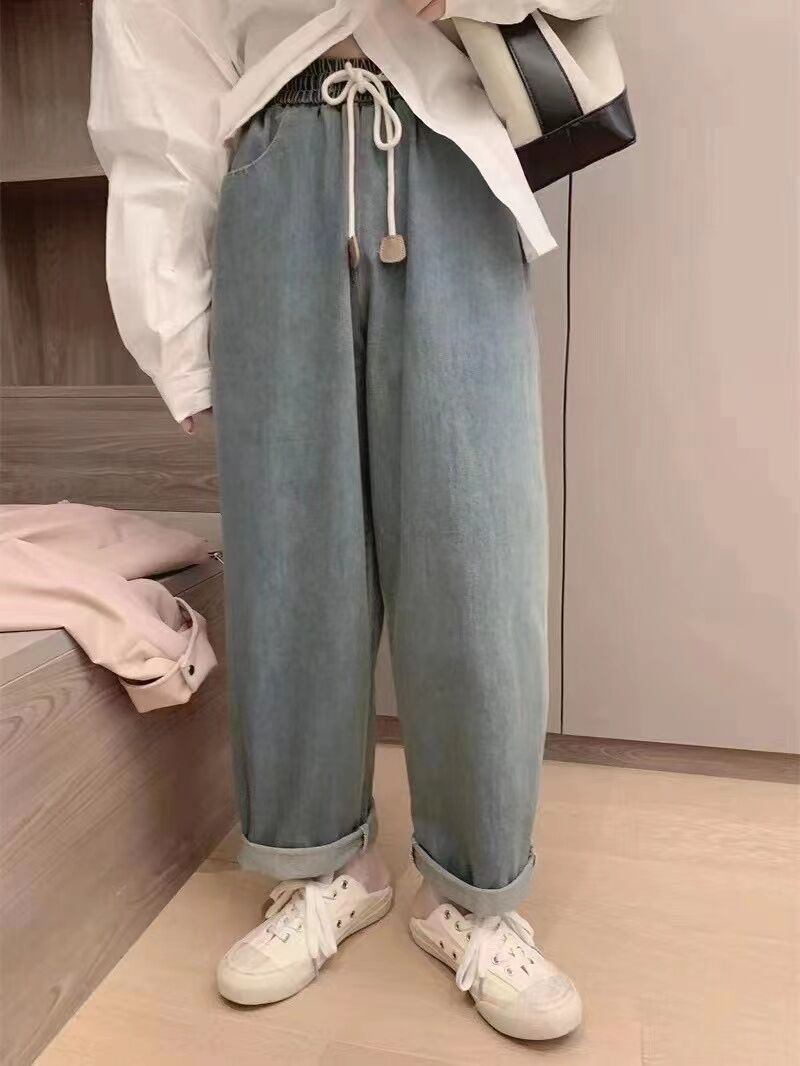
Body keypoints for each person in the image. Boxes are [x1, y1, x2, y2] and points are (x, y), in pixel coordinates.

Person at [89, 0, 609, 1042]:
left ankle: (473, 892)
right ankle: (321, 866)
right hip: (273, 171)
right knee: (292, 558)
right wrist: (174, 331)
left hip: (451, 155)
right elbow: (152, 69)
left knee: (478, 556)